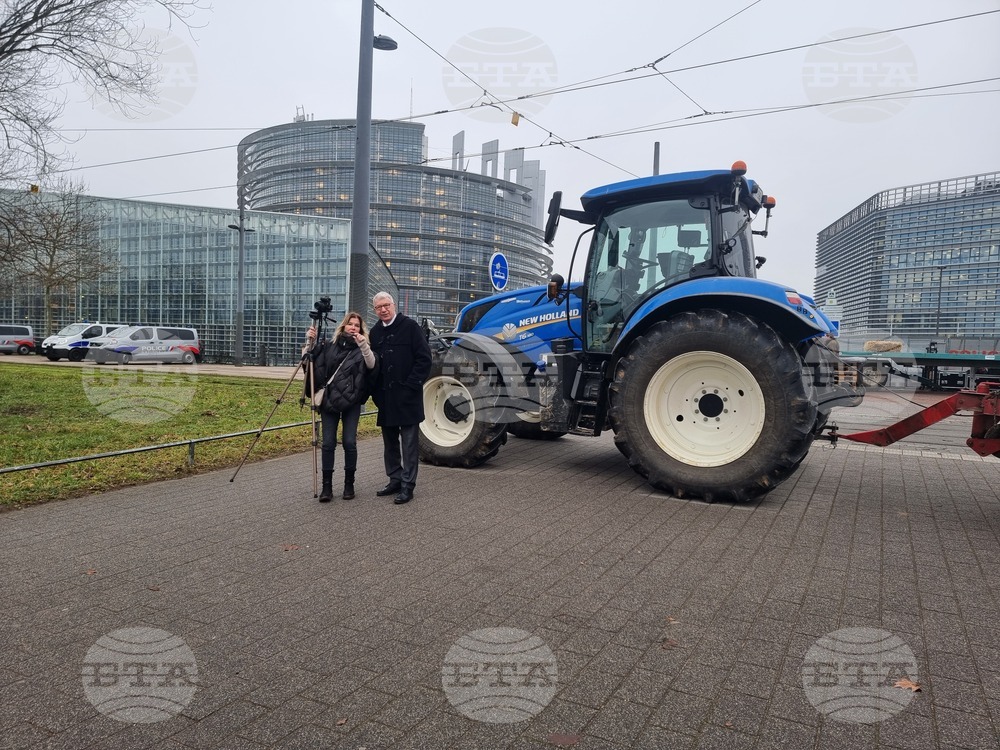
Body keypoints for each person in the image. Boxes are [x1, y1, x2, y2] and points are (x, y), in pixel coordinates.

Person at [305, 311, 377, 502]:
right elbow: (310, 364)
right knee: (328, 443)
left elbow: (372, 365)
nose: (353, 327)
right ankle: (326, 487)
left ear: (361, 330)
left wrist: (363, 345)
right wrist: (309, 344)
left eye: (357, 325)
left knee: (349, 442)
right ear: (343, 326)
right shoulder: (330, 347)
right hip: (329, 402)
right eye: (350, 324)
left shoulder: (363, 349)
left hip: (351, 403)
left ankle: (349, 485)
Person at [368, 292, 432, 505]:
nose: (383, 310)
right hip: (386, 399)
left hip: (408, 397)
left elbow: (424, 359)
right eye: (379, 307)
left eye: (386, 305)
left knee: (409, 445)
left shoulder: (410, 327)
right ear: (375, 310)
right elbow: (373, 366)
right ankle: (394, 479)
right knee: (389, 444)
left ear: (393, 305)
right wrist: (376, 393)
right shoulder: (375, 332)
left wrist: (411, 386)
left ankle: (408, 485)